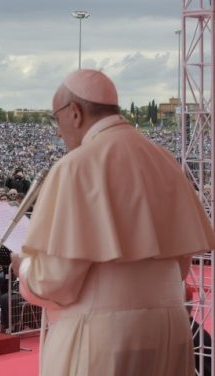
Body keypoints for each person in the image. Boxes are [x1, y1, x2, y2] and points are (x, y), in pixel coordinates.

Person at [12, 69, 215, 375]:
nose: (58, 131)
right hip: (169, 329)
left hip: (103, 339)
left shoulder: (75, 167)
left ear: (75, 113)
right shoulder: (164, 159)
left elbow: (56, 281)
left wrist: (24, 268)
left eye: (57, 119)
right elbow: (181, 265)